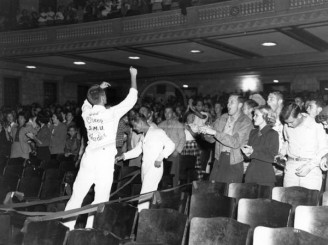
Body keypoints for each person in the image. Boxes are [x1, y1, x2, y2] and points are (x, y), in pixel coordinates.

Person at [64, 67, 138, 230]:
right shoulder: (110, 113)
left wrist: (98, 88)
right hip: (104, 158)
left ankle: (66, 229)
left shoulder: (86, 113)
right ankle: (91, 231)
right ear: (103, 97)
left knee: (77, 195)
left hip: (89, 157)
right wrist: (133, 76)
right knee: (101, 197)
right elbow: (131, 99)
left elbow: (86, 102)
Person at [116, 113, 175, 211]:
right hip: (145, 167)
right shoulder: (144, 135)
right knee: (148, 193)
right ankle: (152, 213)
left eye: (134, 126)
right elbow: (138, 150)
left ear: (140, 123)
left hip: (155, 168)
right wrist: (124, 156)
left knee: (144, 195)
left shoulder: (158, 132)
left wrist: (160, 158)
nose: (134, 129)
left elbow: (171, 145)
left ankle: (140, 216)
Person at [200, 94, 253, 184]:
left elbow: (235, 142)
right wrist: (202, 131)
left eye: (232, 102)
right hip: (218, 159)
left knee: (229, 194)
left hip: (234, 162)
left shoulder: (246, 122)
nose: (228, 105)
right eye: (228, 102)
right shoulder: (223, 117)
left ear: (240, 105)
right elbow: (212, 139)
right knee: (212, 192)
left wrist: (214, 133)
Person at [279, 103, 328, 191]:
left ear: (299, 115)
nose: (288, 125)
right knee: (288, 200)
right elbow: (287, 141)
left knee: (309, 202)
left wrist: (310, 166)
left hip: (311, 169)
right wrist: (281, 153)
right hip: (291, 169)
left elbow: (324, 149)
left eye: (291, 122)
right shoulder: (286, 125)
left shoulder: (317, 125)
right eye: (286, 123)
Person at [241, 105, 279, 186]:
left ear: (266, 116)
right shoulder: (253, 132)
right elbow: (249, 156)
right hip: (250, 175)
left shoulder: (273, 134)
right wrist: (246, 154)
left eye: (256, 115)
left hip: (265, 177)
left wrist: (252, 152)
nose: (253, 118)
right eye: (253, 115)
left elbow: (273, 157)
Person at [158, 106, 186, 186]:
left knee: (173, 176)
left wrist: (177, 151)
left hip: (174, 153)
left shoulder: (178, 125)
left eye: (169, 112)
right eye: (165, 112)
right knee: (162, 175)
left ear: (173, 113)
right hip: (162, 154)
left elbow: (183, 139)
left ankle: (174, 193)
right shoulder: (160, 125)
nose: (167, 114)